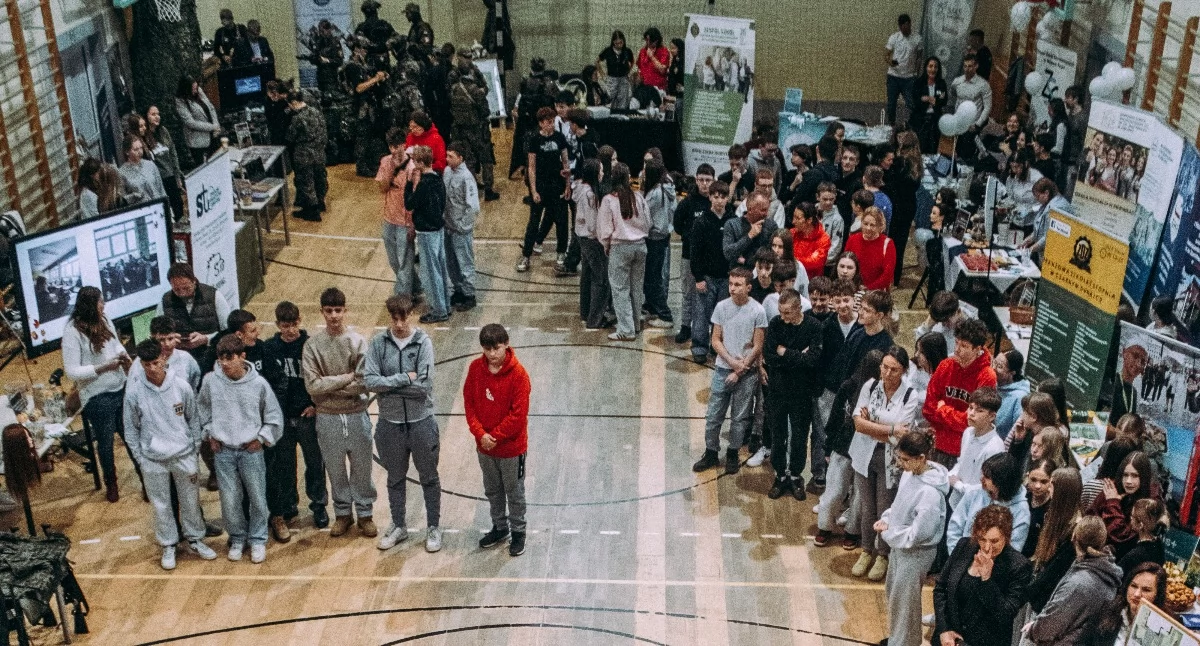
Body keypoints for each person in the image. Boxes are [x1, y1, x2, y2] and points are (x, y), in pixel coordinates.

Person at [125, 339, 218, 569]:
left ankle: (196, 539)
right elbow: (131, 429)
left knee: (190, 501)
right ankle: (168, 544)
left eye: (155, 363)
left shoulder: (181, 387)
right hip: (153, 460)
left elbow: (193, 419)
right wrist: (141, 458)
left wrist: (194, 448)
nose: (152, 368)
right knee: (161, 505)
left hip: (184, 455)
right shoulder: (135, 392)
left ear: (164, 359)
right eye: (146, 364)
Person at [362, 295, 443, 553]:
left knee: (429, 478)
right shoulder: (378, 343)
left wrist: (389, 388)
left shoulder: (423, 343)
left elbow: (423, 388)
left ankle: (433, 527)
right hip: (390, 424)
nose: (398, 324)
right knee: (395, 478)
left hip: (421, 423)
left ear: (412, 315)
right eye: (394, 318)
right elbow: (370, 381)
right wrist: (402, 378)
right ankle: (398, 526)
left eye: (403, 317)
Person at [198, 335, 284, 564]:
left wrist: (262, 439)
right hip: (224, 452)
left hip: (251, 451)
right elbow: (202, 410)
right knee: (229, 499)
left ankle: (257, 539)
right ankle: (237, 538)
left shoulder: (259, 384)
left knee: (257, 497)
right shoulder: (210, 381)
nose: (225, 363)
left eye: (230, 358)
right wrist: (209, 434)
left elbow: (274, 418)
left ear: (242, 357)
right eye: (221, 358)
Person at [301, 288, 376, 539]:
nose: (334, 316)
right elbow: (313, 386)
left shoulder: (358, 342)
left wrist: (329, 387)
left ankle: (365, 514)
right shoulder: (312, 346)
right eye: (329, 311)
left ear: (345, 310)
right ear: (322, 312)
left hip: (356, 414)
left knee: (362, 467)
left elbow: (364, 382)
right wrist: (346, 378)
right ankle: (343, 514)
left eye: (338, 310)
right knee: (335, 468)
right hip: (328, 417)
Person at [849, 345, 920, 582]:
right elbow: (858, 424)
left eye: (895, 370)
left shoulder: (911, 395)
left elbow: (903, 434)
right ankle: (866, 550)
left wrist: (874, 427)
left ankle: (883, 554)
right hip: (864, 454)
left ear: (904, 371)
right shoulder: (870, 387)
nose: (888, 374)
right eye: (885, 368)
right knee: (867, 507)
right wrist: (889, 429)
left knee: (884, 508)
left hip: (891, 460)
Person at [260, 301, 327, 541]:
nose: (289, 330)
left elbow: (321, 376)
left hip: (306, 414)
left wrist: (315, 404)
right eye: (284, 325)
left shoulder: (310, 344)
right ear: (278, 325)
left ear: (300, 321)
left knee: (315, 463)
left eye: (293, 324)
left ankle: (318, 504)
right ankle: (289, 506)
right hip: (282, 418)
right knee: (285, 466)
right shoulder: (269, 348)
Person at [464, 324, 531, 557]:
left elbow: (518, 415)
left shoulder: (519, 375)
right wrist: (480, 434)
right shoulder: (475, 369)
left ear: (506, 344)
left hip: (511, 449)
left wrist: (495, 436)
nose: (492, 353)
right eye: (487, 348)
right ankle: (500, 527)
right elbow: (469, 404)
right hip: (485, 447)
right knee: (492, 490)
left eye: (496, 348)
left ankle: (519, 532)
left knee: (514, 492)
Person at [692, 268, 767, 475]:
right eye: (731, 284)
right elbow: (715, 340)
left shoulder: (758, 311)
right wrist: (732, 363)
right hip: (724, 369)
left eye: (738, 285)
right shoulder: (721, 307)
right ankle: (711, 451)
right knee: (713, 414)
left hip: (747, 373)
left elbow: (758, 345)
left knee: (740, 417)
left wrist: (742, 368)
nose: (732, 289)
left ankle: (733, 452)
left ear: (748, 287)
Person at [879, 431, 948, 646]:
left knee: (905, 601)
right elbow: (899, 505)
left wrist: (889, 532)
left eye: (905, 459)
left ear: (921, 458)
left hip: (916, 552)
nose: (900, 464)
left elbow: (919, 534)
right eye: (899, 458)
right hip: (900, 545)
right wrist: (888, 518)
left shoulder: (930, 493)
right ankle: (899, 638)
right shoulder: (911, 474)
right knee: (895, 594)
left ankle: (904, 643)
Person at [63, 286, 131, 502]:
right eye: (100, 302)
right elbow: (72, 371)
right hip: (97, 396)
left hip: (120, 387)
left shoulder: (105, 319)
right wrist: (102, 368)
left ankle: (144, 477)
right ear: (90, 306)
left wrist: (124, 356)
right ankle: (111, 483)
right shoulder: (72, 332)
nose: (104, 306)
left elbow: (116, 344)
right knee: (105, 442)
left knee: (131, 436)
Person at [933, 505, 1032, 646]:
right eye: (982, 539)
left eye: (994, 541)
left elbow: (1005, 614)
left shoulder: (1019, 566)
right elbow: (941, 589)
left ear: (1007, 536)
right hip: (948, 640)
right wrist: (944, 629)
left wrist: (986, 579)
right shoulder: (964, 546)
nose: (987, 547)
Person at [816, 349, 883, 548]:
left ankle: (852, 531)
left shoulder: (882, 393)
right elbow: (835, 418)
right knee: (835, 491)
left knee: (860, 497)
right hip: (842, 447)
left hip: (866, 451)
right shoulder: (848, 386)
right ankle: (824, 526)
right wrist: (828, 448)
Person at [1026, 516, 1123, 645]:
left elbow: (1051, 624)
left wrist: (1034, 628)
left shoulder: (1079, 583)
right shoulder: (1108, 573)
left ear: (1074, 537)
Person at [763, 289, 823, 499]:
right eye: (781, 311)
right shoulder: (775, 324)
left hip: (801, 393)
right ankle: (780, 475)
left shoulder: (814, 327)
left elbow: (813, 360)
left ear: (799, 308)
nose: (783, 317)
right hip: (778, 391)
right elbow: (769, 356)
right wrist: (799, 355)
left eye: (787, 312)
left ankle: (796, 475)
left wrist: (785, 352)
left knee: (799, 436)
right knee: (778, 435)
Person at [811, 279, 864, 500]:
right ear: (832, 302)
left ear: (854, 300)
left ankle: (846, 482)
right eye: (838, 300)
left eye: (846, 300)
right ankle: (819, 474)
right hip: (829, 390)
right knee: (822, 434)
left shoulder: (862, 329)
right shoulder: (825, 328)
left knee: (848, 436)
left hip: (853, 394)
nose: (843, 305)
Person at [923, 318, 997, 468]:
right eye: (956, 342)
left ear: (977, 349)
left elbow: (974, 421)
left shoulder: (987, 376)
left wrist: (943, 409)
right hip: (938, 444)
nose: (957, 349)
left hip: (965, 450)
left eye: (964, 346)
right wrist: (957, 417)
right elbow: (928, 410)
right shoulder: (945, 365)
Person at [1023, 467, 1084, 626]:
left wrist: (1027, 590)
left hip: (1045, 603)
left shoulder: (1074, 532)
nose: (1048, 489)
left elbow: (1054, 572)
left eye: (1051, 485)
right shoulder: (1054, 516)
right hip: (1037, 594)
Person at [596, 161, 650, 341]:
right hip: (640, 246)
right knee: (636, 288)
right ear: (628, 178)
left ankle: (626, 329)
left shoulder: (609, 200)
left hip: (620, 247)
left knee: (620, 290)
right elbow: (648, 223)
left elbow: (605, 229)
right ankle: (635, 324)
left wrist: (606, 245)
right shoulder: (639, 197)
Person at [518, 107, 572, 273]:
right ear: (541, 123)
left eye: (552, 121)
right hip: (541, 186)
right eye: (548, 122)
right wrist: (533, 190)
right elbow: (532, 167)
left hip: (557, 184)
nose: (552, 125)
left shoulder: (560, 138)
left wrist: (568, 185)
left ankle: (561, 254)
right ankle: (526, 255)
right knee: (534, 222)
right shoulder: (534, 140)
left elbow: (565, 162)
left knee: (562, 221)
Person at [688, 180, 736, 363]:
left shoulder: (732, 221)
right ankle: (699, 347)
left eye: (723, 197)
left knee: (722, 314)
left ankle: (717, 345)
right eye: (715, 196)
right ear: (710, 197)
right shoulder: (701, 222)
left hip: (726, 277)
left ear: (727, 199)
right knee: (701, 313)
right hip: (706, 277)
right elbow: (695, 252)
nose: (719, 200)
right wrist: (698, 277)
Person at [947, 453, 1031, 553]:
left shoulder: (1021, 511)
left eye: (987, 477)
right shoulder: (974, 493)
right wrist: (958, 559)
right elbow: (955, 528)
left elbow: (1013, 551)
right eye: (983, 474)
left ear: (1002, 481)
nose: (981, 479)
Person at [404, 145, 452, 323]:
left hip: (426, 232)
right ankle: (445, 305)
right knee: (440, 268)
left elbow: (409, 204)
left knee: (431, 273)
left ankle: (439, 310)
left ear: (419, 162)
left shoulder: (424, 185)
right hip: (438, 228)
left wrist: (409, 184)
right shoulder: (439, 179)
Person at [157, 264, 233, 369]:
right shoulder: (165, 301)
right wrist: (170, 340)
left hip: (210, 354)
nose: (182, 293)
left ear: (194, 281)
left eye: (186, 288)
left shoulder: (214, 295)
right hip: (178, 358)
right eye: (177, 290)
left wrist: (206, 339)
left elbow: (228, 330)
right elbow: (158, 332)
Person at [674, 165, 717, 343]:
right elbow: (677, 225)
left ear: (713, 181)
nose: (705, 184)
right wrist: (690, 237)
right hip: (689, 255)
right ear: (696, 180)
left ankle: (707, 329)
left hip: (711, 258)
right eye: (701, 180)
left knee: (709, 294)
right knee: (688, 292)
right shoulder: (687, 203)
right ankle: (685, 326)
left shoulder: (716, 201)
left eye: (708, 180)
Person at [1089, 451, 1158, 560]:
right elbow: (1090, 519)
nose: (1128, 481)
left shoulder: (1149, 502)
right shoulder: (1113, 489)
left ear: (1143, 477)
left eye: (1135, 476)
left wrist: (1112, 503)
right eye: (1125, 475)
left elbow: (1122, 537)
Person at [376, 129, 420, 297]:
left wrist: (412, 225)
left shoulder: (412, 168)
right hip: (389, 217)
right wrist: (390, 169)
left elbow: (415, 199)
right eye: (391, 147)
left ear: (404, 145)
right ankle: (416, 287)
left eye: (397, 147)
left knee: (404, 261)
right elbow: (382, 188)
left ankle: (403, 297)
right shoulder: (385, 161)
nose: (394, 151)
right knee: (394, 261)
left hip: (405, 221)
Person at [1082, 562, 1167, 646]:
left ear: (1158, 595)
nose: (1137, 594)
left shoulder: (1164, 629)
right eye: (1134, 586)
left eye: (1146, 590)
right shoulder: (1105, 612)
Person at [947, 387, 1005, 508]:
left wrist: (958, 485)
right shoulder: (968, 432)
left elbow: (989, 486)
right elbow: (961, 462)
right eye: (971, 407)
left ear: (991, 416)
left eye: (979, 411)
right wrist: (951, 474)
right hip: (955, 501)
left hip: (975, 506)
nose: (971, 413)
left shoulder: (995, 447)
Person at [443, 144, 480, 312]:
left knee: (464, 261)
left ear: (461, 158)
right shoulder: (447, 172)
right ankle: (458, 289)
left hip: (460, 229)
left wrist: (462, 225)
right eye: (447, 155)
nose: (447, 159)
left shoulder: (467, 178)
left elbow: (473, 207)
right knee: (451, 262)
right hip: (447, 226)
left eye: (451, 156)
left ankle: (469, 294)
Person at [642, 160, 676, 327]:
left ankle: (665, 314)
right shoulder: (667, 188)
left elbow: (645, 216)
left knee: (652, 278)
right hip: (663, 235)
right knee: (652, 275)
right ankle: (651, 306)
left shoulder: (655, 194)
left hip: (654, 238)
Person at [286, 91, 329, 222]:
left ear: (293, 103)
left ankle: (312, 211)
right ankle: (321, 202)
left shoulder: (297, 118)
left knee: (305, 182)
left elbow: (290, 137)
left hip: (304, 155)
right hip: (319, 152)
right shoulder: (316, 112)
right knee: (320, 178)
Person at [143, 106, 185, 221]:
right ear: (146, 116)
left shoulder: (163, 131)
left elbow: (173, 153)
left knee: (178, 206)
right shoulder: (144, 137)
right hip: (158, 178)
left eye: (158, 113)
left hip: (170, 175)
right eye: (153, 114)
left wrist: (177, 176)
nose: (157, 116)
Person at [948, 53, 992, 161]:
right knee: (956, 152)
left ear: (976, 66)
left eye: (970, 66)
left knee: (967, 155)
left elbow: (987, 107)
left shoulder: (983, 85)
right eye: (965, 66)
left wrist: (977, 124)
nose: (967, 69)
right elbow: (953, 95)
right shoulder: (957, 82)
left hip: (972, 126)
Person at [843, 207, 896, 291]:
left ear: (880, 226)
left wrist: (868, 288)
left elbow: (887, 275)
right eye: (865, 224)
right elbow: (844, 263)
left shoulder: (888, 244)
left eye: (872, 225)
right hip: (853, 289)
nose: (868, 228)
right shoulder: (852, 239)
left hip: (876, 292)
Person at [724, 190, 780, 270]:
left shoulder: (771, 225)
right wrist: (749, 236)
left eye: (767, 210)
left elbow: (773, 254)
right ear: (750, 209)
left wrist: (746, 260)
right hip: (739, 275)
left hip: (763, 273)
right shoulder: (732, 225)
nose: (766, 214)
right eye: (763, 210)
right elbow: (728, 253)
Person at [174, 76, 221, 169]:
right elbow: (190, 123)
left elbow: (210, 107)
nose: (196, 90)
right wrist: (212, 127)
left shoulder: (198, 91)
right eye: (193, 89)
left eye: (196, 87)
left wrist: (216, 124)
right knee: (203, 168)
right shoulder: (180, 101)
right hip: (198, 141)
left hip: (212, 136)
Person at [885, 14, 923, 127]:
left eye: (908, 26)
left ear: (910, 24)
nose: (906, 29)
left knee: (911, 103)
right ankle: (892, 125)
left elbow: (919, 57)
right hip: (893, 77)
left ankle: (910, 125)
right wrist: (890, 62)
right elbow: (886, 55)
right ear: (900, 27)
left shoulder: (917, 39)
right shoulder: (894, 37)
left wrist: (916, 73)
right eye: (904, 27)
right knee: (891, 104)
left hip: (909, 78)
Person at [1115, 498, 1167, 575]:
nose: (1130, 518)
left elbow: (1115, 576)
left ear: (1140, 525)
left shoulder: (1134, 556)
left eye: (1132, 516)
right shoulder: (1159, 546)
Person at [913, 57, 948, 154]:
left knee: (933, 148)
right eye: (930, 66)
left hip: (935, 119)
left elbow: (944, 101)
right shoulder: (918, 83)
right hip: (921, 120)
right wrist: (929, 99)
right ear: (926, 68)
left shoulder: (941, 83)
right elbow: (915, 101)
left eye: (935, 67)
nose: (933, 69)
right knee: (921, 148)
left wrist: (930, 100)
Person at [118, 134, 166, 205]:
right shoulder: (122, 173)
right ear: (127, 152)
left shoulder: (150, 165)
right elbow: (123, 199)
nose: (140, 152)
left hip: (158, 205)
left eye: (141, 148)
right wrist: (133, 196)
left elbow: (161, 189)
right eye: (136, 149)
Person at [790, 200, 830, 284]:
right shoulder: (792, 233)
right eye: (793, 217)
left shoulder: (823, 239)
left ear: (809, 220)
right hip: (791, 279)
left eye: (798, 218)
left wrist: (792, 259)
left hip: (812, 284)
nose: (793, 222)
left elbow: (815, 263)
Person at [994, 350, 1030, 438]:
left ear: (1012, 373)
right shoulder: (992, 381)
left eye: (999, 366)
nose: (993, 368)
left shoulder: (1020, 397)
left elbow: (1017, 431)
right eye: (994, 362)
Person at [597, 31, 634, 109]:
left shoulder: (627, 51)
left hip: (623, 79)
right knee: (610, 101)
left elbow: (632, 61)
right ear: (613, 42)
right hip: (612, 79)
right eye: (617, 43)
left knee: (623, 101)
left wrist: (628, 71)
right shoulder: (608, 51)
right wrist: (602, 73)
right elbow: (597, 61)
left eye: (621, 42)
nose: (619, 45)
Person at [816, 181, 845, 263]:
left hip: (825, 262)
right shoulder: (811, 212)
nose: (828, 202)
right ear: (817, 197)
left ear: (835, 197)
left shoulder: (837, 219)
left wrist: (819, 260)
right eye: (825, 199)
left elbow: (836, 246)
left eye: (831, 199)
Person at [637, 27, 669, 92]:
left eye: (650, 41)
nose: (648, 43)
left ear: (656, 40)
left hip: (658, 88)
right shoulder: (643, 51)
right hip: (645, 87)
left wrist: (652, 57)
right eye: (646, 40)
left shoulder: (664, 51)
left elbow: (662, 70)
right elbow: (639, 67)